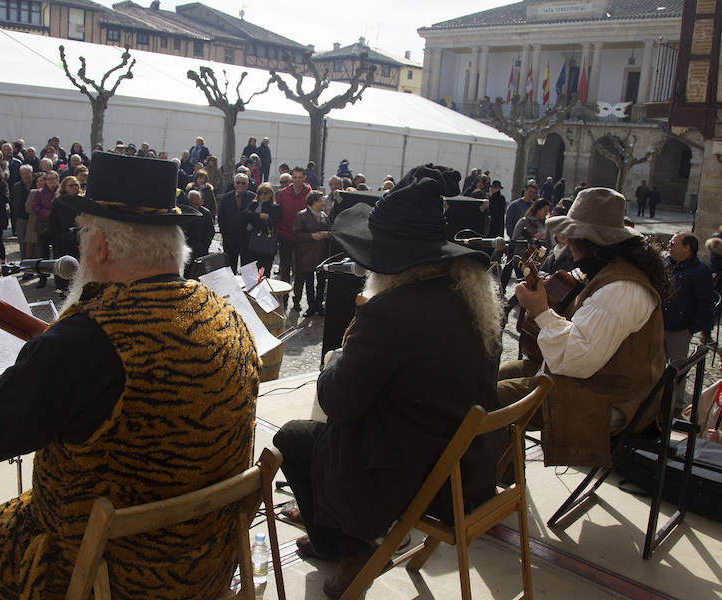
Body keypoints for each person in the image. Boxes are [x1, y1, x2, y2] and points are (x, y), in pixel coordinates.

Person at [0, 151, 259, 600]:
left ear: (101, 247)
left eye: (83, 232)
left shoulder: (88, 338)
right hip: (204, 563)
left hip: (104, 573)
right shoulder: (226, 317)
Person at [273, 163, 504, 597]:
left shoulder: (388, 313)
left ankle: (351, 548)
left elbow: (340, 402)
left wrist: (332, 365)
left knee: (295, 438)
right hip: (465, 467)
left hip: (415, 476)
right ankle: (336, 540)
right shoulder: (469, 299)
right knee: (330, 434)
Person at [498, 187, 672, 467]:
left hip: (611, 399)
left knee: (490, 399)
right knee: (500, 373)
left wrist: (541, 310)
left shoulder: (619, 289)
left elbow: (576, 360)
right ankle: (504, 473)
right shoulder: (610, 271)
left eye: (573, 239)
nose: (567, 244)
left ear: (593, 243)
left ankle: (482, 486)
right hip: (597, 376)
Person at [663, 232, 714, 411]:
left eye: (673, 243)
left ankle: (674, 406)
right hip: (660, 324)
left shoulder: (700, 272)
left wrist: (692, 328)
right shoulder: (666, 264)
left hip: (680, 328)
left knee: (678, 369)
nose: (669, 246)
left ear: (687, 248)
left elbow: (706, 303)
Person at [292, 190, 330, 317]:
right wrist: (312, 236)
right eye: (320, 200)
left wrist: (326, 234)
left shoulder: (324, 216)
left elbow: (330, 230)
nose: (323, 202)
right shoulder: (302, 215)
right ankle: (311, 306)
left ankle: (319, 306)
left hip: (321, 254)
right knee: (308, 282)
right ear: (314, 202)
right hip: (306, 254)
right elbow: (296, 235)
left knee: (321, 282)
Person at [276, 165, 311, 302]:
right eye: (294, 177)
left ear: (304, 178)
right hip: (285, 236)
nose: (297, 180)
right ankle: (284, 299)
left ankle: (297, 300)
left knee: (300, 271)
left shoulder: (309, 193)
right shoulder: (283, 193)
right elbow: (278, 213)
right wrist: (279, 231)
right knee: (284, 270)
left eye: (299, 177)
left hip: (302, 238)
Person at [241, 182, 281, 276]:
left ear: (271, 194)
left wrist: (254, 218)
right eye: (260, 193)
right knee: (251, 272)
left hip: (266, 242)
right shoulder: (253, 204)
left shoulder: (275, 207)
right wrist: (259, 216)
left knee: (264, 272)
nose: (263, 195)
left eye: (265, 193)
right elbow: (244, 216)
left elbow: (272, 222)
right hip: (252, 243)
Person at [217, 172, 254, 272]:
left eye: (243, 183)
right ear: (234, 184)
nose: (240, 185)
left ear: (247, 184)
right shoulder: (226, 197)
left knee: (247, 268)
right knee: (229, 266)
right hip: (230, 238)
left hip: (247, 238)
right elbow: (221, 217)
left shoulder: (253, 198)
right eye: (238, 182)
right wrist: (224, 233)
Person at [179, 189, 214, 275]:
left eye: (198, 202)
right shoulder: (184, 213)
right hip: (188, 248)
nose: (196, 205)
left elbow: (210, 231)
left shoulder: (206, 213)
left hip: (201, 248)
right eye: (193, 203)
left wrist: (205, 245)